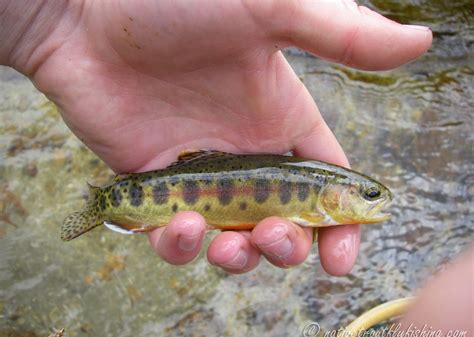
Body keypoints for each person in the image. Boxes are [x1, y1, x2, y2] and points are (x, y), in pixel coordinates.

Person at [0, 1, 431, 275]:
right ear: (339, 193)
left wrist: (51, 19)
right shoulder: (313, 197)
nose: (376, 200)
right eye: (370, 194)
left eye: (372, 194)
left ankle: (108, 203)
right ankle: (106, 203)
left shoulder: (315, 196)